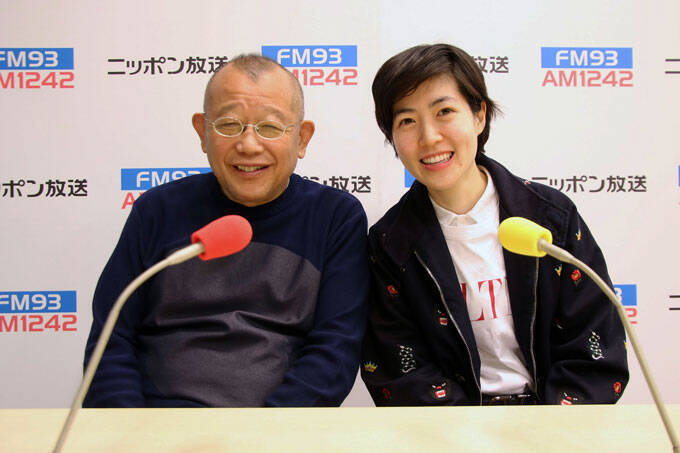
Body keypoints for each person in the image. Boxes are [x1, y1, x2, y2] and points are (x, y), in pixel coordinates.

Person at [83, 54, 370, 407]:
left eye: (270, 127)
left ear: (302, 138)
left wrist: (267, 430)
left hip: (279, 426)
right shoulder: (157, 210)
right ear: (202, 132)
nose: (249, 145)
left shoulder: (335, 217)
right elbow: (112, 340)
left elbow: (335, 349)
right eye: (229, 125)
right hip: (158, 422)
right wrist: (130, 428)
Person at [361, 44, 628, 406]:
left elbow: (594, 347)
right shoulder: (390, 244)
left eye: (444, 112)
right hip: (448, 427)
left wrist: (548, 429)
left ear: (479, 116)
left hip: (556, 421)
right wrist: (469, 432)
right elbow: (401, 371)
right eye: (407, 121)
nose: (429, 137)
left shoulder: (550, 217)